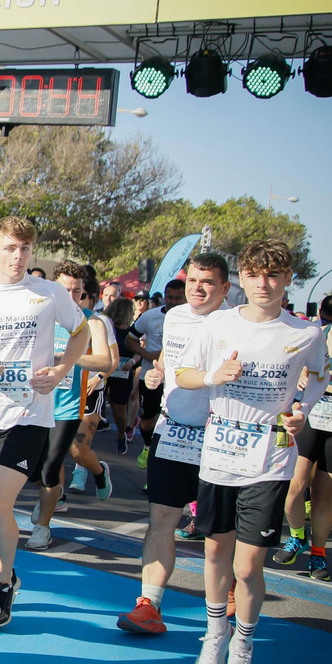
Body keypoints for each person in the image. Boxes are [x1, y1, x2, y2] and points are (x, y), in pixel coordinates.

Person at [176, 240, 326, 664]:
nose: (265, 284)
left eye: (274, 275)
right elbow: (185, 373)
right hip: (219, 452)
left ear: (287, 280)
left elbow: (317, 379)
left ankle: (243, 647)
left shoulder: (305, 333)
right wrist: (212, 377)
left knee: (247, 565)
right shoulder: (219, 323)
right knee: (216, 554)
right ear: (244, 276)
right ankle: (215, 633)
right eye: (256, 274)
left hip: (270, 458)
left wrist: (303, 410)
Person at [0, 215, 89, 627]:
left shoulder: (49, 293)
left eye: (25, 249)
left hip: (30, 414)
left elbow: (81, 334)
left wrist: (61, 372)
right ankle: (2, 573)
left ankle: (4, 585)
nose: (18, 256)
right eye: (10, 247)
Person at [116, 253, 231, 634]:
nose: (198, 288)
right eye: (193, 280)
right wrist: (157, 374)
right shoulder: (175, 317)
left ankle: (229, 600)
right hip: (174, 430)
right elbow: (168, 359)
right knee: (162, 519)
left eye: (208, 282)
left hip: (219, 438)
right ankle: (148, 605)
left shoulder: (235, 324)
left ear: (225, 288)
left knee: (218, 531)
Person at [275, 283, 332, 581]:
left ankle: (318, 554)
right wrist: (303, 375)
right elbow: (296, 365)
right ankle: (297, 536)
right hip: (312, 414)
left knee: (323, 494)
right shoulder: (318, 334)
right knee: (294, 486)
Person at [27, 261, 118, 549]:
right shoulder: (40, 316)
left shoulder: (92, 322)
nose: (71, 296)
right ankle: (48, 498)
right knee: (31, 469)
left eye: (77, 290)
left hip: (68, 405)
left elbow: (106, 361)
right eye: (65, 289)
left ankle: (43, 525)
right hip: (35, 402)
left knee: (51, 468)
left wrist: (67, 358)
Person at [127, 278, 188, 469]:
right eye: (170, 297)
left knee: (174, 423)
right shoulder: (151, 316)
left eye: (178, 298)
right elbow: (130, 340)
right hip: (151, 378)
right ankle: (147, 446)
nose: (173, 302)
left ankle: (161, 463)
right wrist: (147, 354)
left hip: (180, 381)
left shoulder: (192, 319)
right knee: (146, 424)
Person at [103, 297, 139, 453]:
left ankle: (121, 434)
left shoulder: (132, 331)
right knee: (97, 404)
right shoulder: (106, 327)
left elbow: (138, 350)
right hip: (103, 373)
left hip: (122, 374)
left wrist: (132, 362)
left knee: (119, 410)